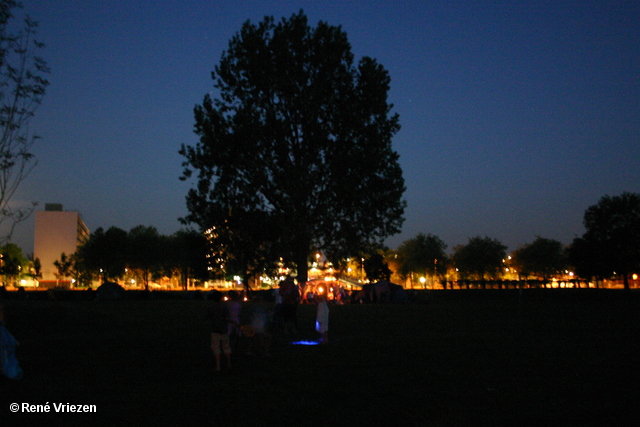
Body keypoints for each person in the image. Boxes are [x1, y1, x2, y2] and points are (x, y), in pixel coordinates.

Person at [205, 292, 232, 371]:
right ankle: (229, 363)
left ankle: (218, 366)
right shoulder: (224, 307)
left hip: (215, 330)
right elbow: (227, 318)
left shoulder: (211, 307)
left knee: (216, 348)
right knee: (226, 347)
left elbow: (206, 316)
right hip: (224, 329)